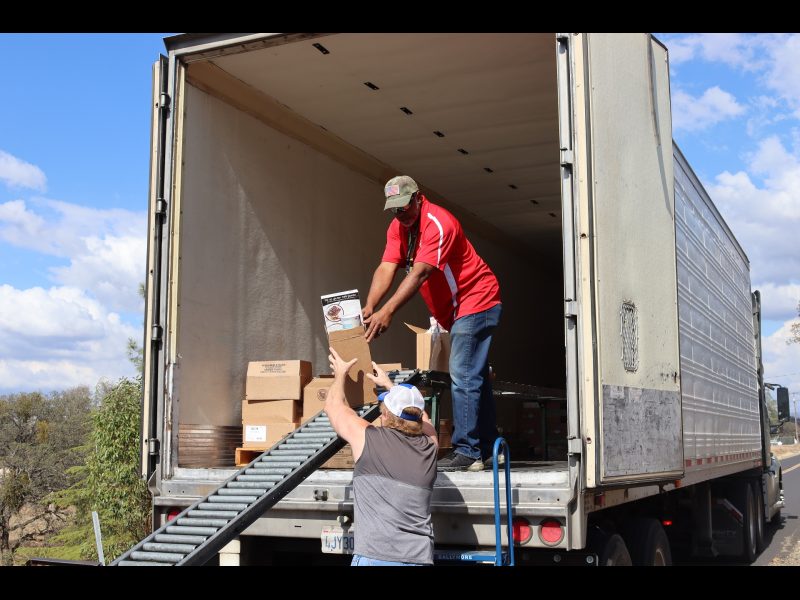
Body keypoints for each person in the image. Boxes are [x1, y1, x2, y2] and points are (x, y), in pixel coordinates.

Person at [362, 175, 502, 472]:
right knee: (475, 375)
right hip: (457, 311)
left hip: (477, 300)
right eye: (395, 210)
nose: (402, 214)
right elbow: (387, 266)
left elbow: (420, 273)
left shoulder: (438, 223)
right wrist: (371, 305)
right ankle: (491, 448)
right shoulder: (399, 227)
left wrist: (387, 311)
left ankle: (468, 452)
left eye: (405, 206)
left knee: (462, 372)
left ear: (418, 197)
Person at [325, 348, 438, 566]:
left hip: (377, 558)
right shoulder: (430, 447)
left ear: (386, 415)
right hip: (419, 559)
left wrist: (340, 373)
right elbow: (424, 420)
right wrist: (395, 389)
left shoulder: (367, 439)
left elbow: (333, 407)